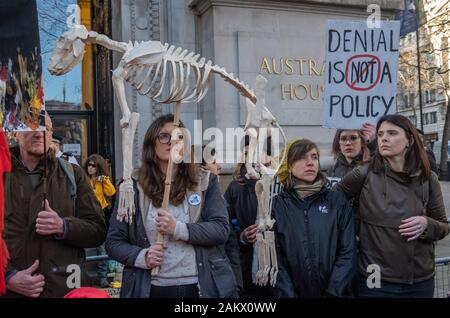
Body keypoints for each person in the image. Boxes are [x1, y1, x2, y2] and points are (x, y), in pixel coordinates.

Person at [106, 114, 237, 298]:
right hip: (152, 289)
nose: (172, 141)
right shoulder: (131, 187)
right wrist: (142, 257)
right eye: (164, 136)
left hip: (201, 288)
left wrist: (178, 229)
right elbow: (114, 242)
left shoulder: (204, 182)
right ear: (152, 143)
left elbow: (221, 229)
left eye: (179, 137)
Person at [333, 114, 449, 298]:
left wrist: (427, 224)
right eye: (380, 134)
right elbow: (329, 205)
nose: (384, 138)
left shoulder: (428, 178)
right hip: (374, 275)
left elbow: (443, 225)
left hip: (420, 279)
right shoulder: (363, 173)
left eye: (392, 133)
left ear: (409, 140)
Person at [3, 114, 106, 298]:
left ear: (51, 135)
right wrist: (7, 276)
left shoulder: (73, 174)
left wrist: (64, 226)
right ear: (16, 133)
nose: (39, 133)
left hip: (63, 290)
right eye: (31, 126)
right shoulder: (3, 174)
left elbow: (98, 230)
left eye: (46, 128)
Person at [272, 139, 356, 298]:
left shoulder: (337, 202)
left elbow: (348, 252)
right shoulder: (276, 206)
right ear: (289, 166)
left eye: (314, 157)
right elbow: (275, 260)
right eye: (302, 157)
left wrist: (333, 293)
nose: (310, 163)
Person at [223, 136, 273, 298]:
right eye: (246, 153)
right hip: (246, 265)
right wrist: (242, 237)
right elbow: (225, 228)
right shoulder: (235, 188)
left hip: (277, 267)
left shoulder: (280, 184)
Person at [199, 145, 243, 294]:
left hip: (226, 283)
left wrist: (236, 283)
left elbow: (230, 245)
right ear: (200, 169)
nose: (219, 167)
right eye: (213, 162)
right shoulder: (194, 204)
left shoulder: (219, 199)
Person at [83, 154, 116, 288]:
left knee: (101, 248)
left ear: (99, 167)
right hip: (85, 214)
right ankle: (86, 278)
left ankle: (102, 277)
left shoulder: (102, 180)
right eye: (89, 165)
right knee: (84, 247)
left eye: (93, 166)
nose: (90, 168)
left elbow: (111, 192)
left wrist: (105, 181)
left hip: (100, 214)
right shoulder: (83, 179)